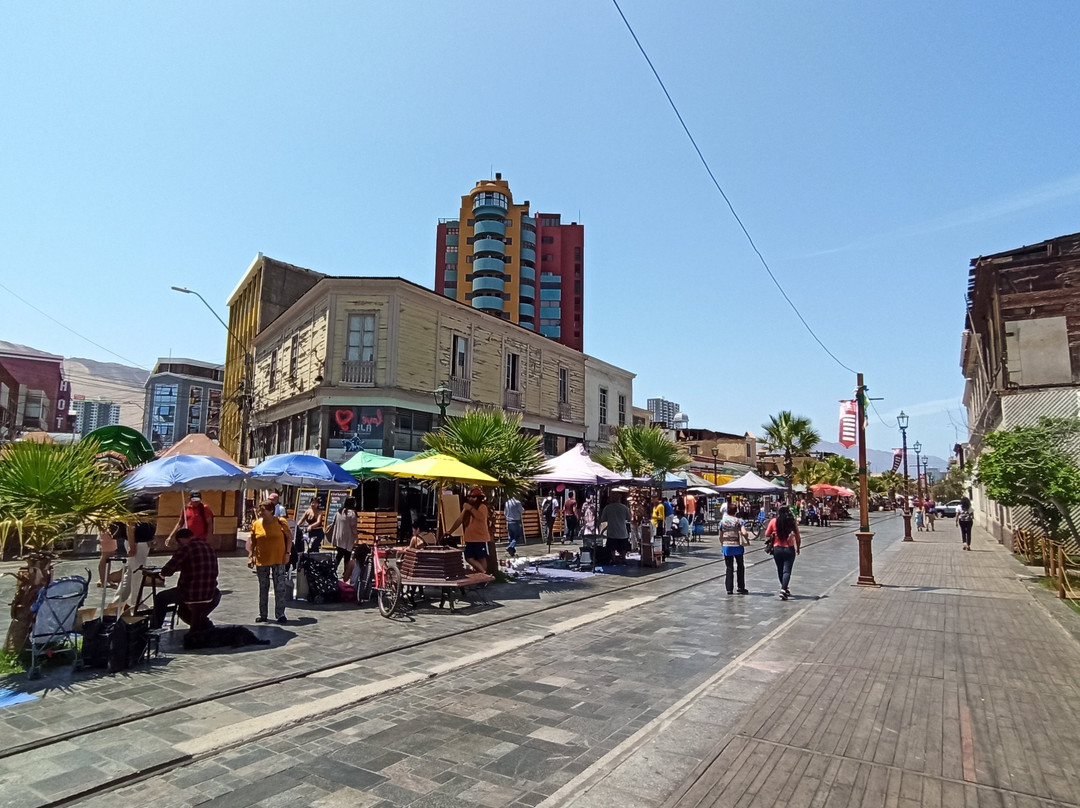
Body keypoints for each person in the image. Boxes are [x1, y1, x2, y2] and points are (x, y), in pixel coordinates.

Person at [152, 528, 220, 630]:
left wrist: (163, 572)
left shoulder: (186, 548)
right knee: (183, 612)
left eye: (179, 542)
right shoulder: (208, 546)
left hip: (190, 593)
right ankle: (206, 626)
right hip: (212, 593)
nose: (179, 545)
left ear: (182, 539)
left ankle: (155, 628)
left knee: (161, 598)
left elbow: (167, 570)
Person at [249, 500, 292, 623]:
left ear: (271, 511)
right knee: (263, 587)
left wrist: (287, 553)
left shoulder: (281, 522)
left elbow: (289, 538)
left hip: (279, 558)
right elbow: (253, 541)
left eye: (262, 510)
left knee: (280, 587)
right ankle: (263, 614)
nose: (260, 512)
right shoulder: (256, 524)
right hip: (262, 559)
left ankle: (280, 614)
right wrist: (251, 555)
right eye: (259, 509)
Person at [113, 496, 157, 613]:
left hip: (143, 542)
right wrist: (132, 545)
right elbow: (130, 525)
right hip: (137, 543)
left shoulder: (150, 501)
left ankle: (117, 602)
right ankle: (136, 603)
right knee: (138, 573)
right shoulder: (137, 502)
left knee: (130, 572)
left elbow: (150, 523)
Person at [446, 487, 494, 574]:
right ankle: (482, 573)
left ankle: (483, 575)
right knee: (468, 557)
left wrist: (470, 508)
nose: (470, 498)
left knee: (481, 558)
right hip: (470, 539)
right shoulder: (467, 508)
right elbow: (460, 519)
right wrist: (450, 531)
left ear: (478, 498)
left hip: (480, 538)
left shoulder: (482, 507)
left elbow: (481, 517)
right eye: (469, 496)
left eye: (473, 497)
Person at [766, 505, 801, 600]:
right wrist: (798, 548)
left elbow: (766, 534)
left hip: (777, 549)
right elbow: (798, 538)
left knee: (780, 569)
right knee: (787, 571)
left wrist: (774, 533)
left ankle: (784, 588)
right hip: (789, 549)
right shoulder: (792, 522)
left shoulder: (774, 521)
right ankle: (783, 589)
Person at [720, 501, 749, 594]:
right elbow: (744, 533)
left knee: (729, 567)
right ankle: (740, 587)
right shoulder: (739, 521)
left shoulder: (722, 522)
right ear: (736, 511)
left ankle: (729, 588)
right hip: (737, 546)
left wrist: (722, 543)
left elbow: (720, 536)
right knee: (740, 566)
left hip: (726, 546)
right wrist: (746, 535)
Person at [599, 493, 632, 564]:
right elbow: (629, 518)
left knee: (612, 547)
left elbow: (603, 519)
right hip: (622, 531)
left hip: (612, 531)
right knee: (623, 546)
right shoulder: (624, 507)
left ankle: (613, 560)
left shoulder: (607, 508)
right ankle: (623, 558)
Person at [329, 497, 358, 575]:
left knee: (340, 554)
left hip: (338, 537)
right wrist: (356, 534)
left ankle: (333, 569)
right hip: (347, 538)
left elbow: (334, 522)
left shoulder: (339, 511)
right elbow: (353, 527)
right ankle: (345, 572)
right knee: (347, 556)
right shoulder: (352, 513)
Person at [97, 521, 125, 588]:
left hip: (111, 529)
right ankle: (102, 580)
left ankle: (107, 579)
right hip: (107, 529)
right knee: (105, 555)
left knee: (109, 556)